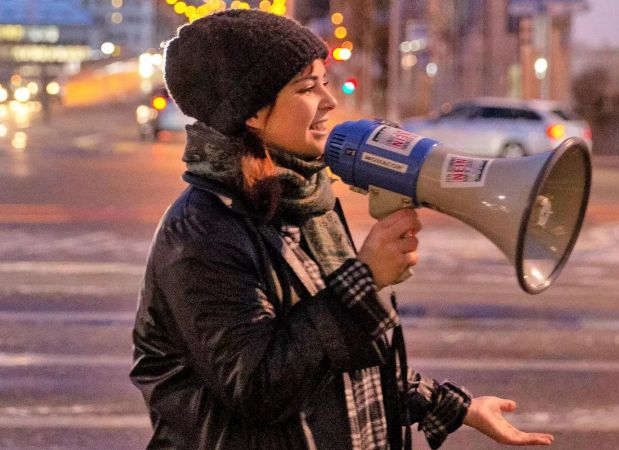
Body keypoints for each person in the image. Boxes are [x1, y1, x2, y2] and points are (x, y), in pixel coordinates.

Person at [130, 9, 554, 450]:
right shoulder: (202, 232)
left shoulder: (306, 200)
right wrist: (364, 281)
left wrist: (450, 406)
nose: (329, 102)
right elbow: (260, 387)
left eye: (324, 82)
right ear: (252, 111)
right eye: (307, 88)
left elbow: (341, 361)